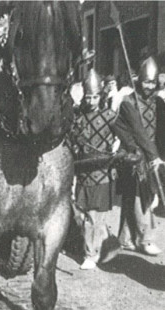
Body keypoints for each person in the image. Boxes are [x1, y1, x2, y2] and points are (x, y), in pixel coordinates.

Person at [70, 69, 122, 270]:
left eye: (95, 97)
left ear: (101, 96)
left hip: (101, 172)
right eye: (88, 97)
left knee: (93, 216)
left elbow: (124, 134)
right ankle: (105, 242)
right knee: (85, 215)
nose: (91, 101)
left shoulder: (110, 116)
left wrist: (119, 146)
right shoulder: (79, 117)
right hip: (83, 171)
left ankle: (91, 254)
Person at [112, 56, 164, 256]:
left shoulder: (157, 101)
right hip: (135, 154)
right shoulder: (129, 102)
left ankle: (125, 238)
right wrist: (151, 156)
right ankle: (145, 238)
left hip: (150, 153)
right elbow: (136, 131)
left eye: (152, 82)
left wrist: (159, 154)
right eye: (146, 81)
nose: (149, 86)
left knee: (135, 196)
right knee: (140, 195)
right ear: (138, 80)